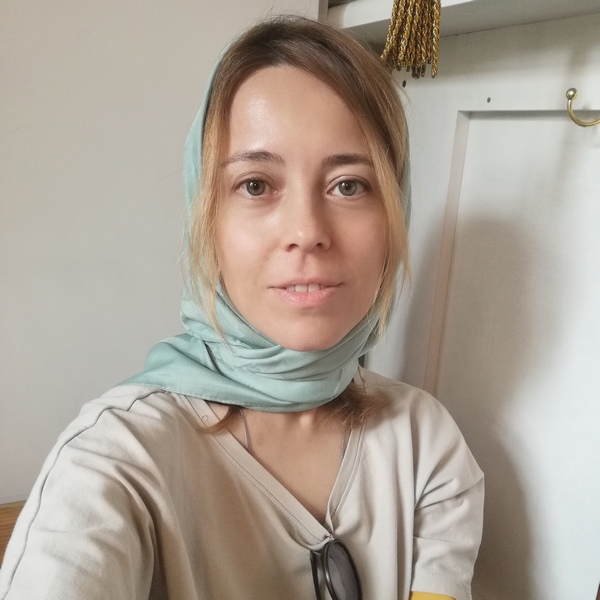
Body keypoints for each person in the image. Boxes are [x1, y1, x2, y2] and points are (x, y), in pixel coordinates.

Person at [0, 16, 483, 600]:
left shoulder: (427, 446)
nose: (306, 232)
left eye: (349, 184)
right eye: (256, 184)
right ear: (208, 220)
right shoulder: (118, 462)